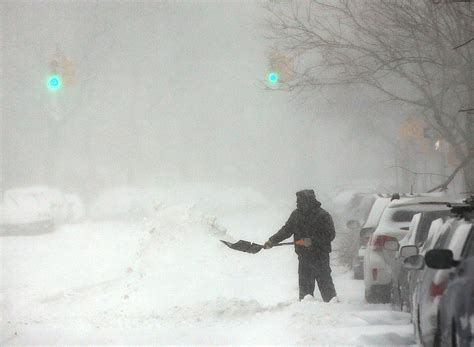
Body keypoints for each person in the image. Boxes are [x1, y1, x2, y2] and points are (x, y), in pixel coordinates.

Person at [263, 189, 337, 302]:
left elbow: (330, 235)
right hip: (304, 256)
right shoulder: (296, 215)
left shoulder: (323, 215)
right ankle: (305, 311)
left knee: (326, 285)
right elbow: (286, 230)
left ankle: (332, 307)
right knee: (305, 292)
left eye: (300, 201)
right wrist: (272, 241)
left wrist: (311, 241)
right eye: (297, 201)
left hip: (320, 256)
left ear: (308, 201)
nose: (297, 203)